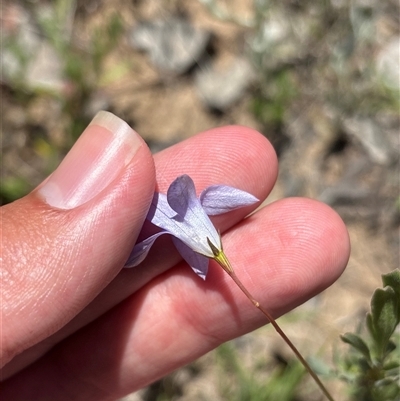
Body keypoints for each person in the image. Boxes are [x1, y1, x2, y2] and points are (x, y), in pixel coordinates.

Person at [0, 111, 350, 400]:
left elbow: (206, 198)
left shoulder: (199, 225)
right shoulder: (182, 239)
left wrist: (206, 256)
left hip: (203, 244)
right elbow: (173, 218)